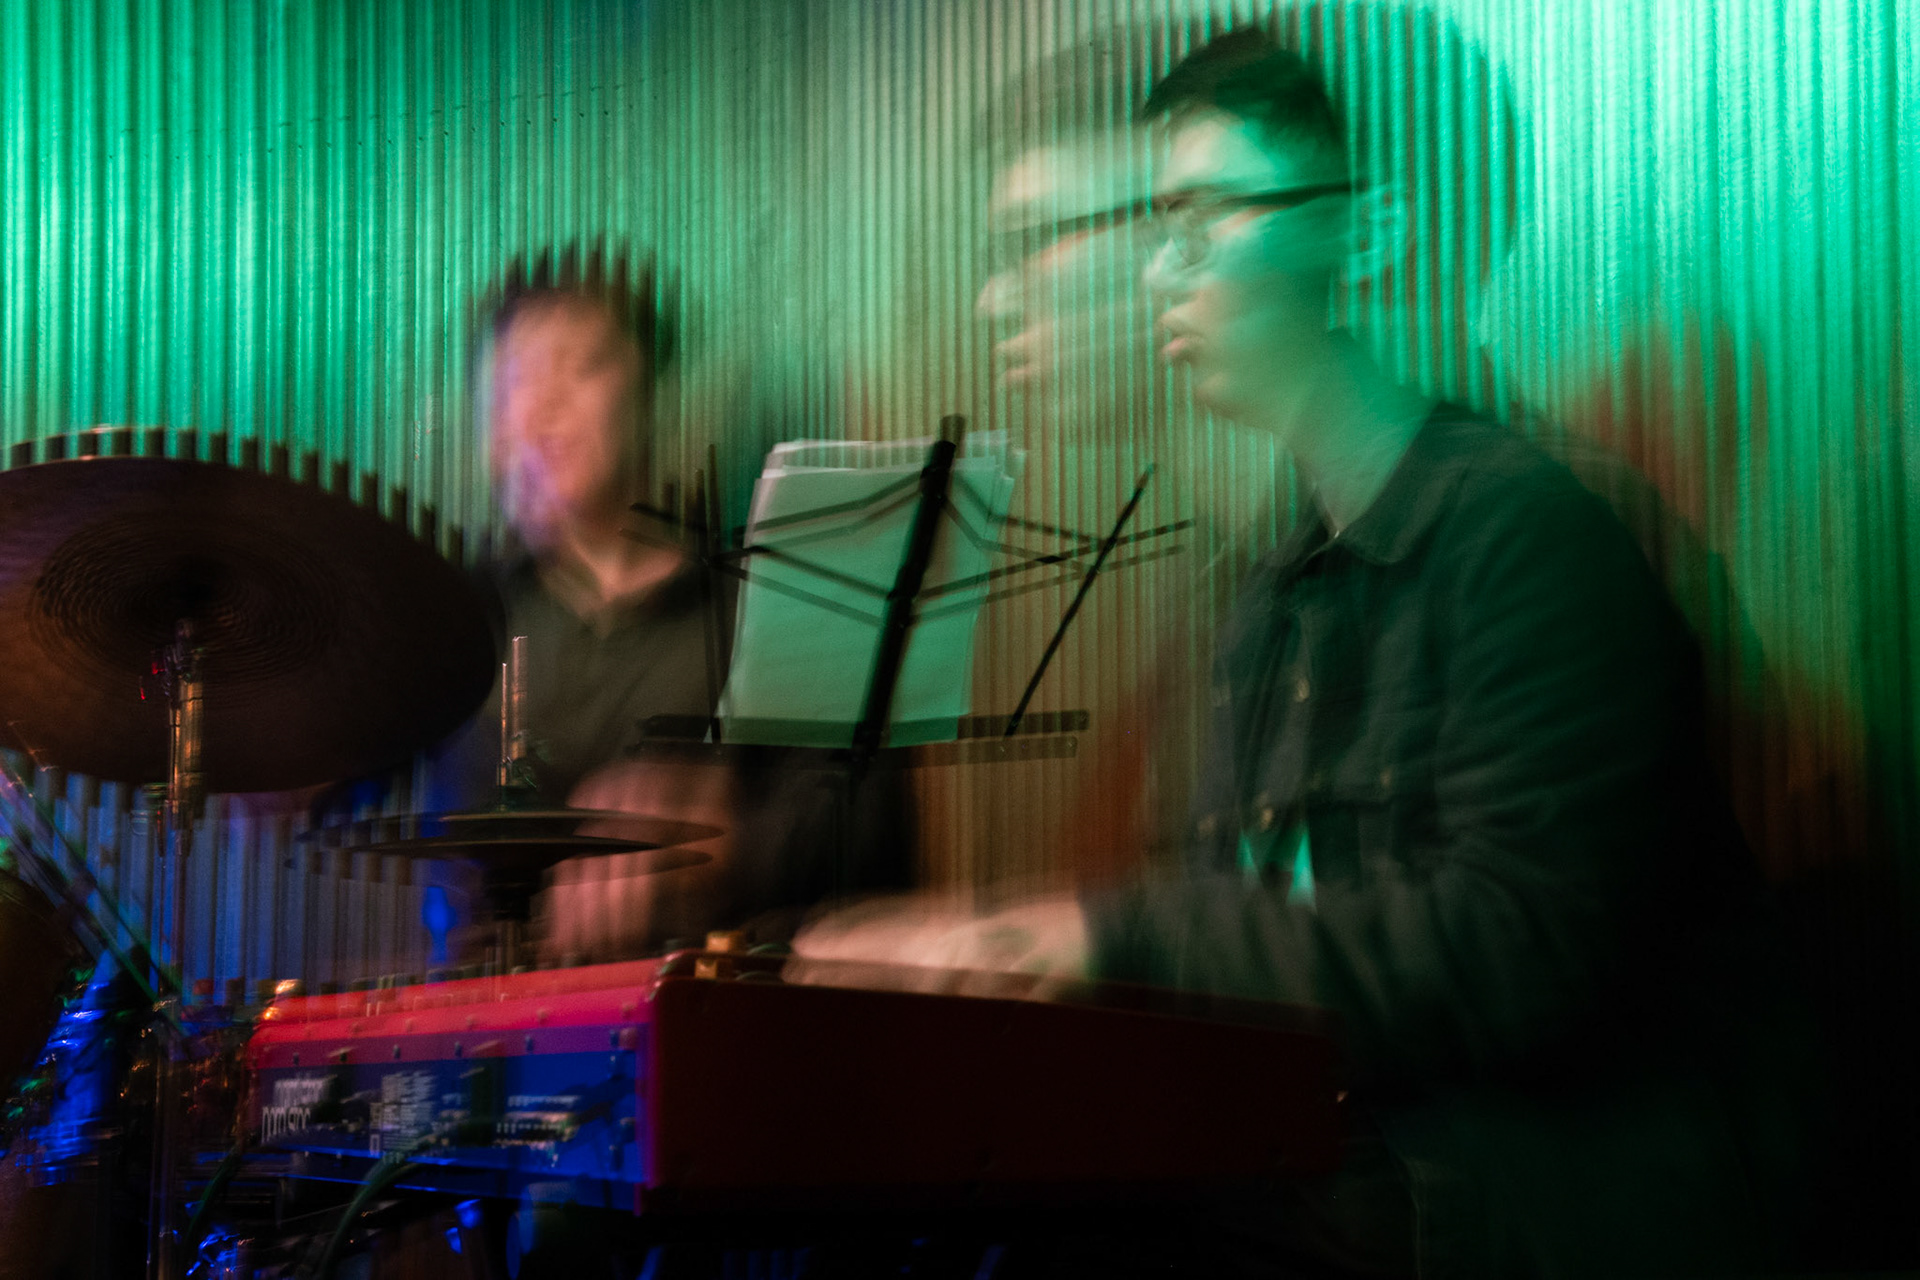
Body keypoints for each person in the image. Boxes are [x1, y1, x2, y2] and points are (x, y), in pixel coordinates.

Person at [799, 30, 1810, 1278]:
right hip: (1356, 1183)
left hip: (1509, 1212)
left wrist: (1096, 940)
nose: (1159, 270)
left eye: (1198, 219)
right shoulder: (1274, 577)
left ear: (1371, 233)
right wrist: (1001, 953)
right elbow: (1257, 928)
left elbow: (1523, 945)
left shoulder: (1528, 527)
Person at [437, 243, 908, 958]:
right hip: (499, 1010)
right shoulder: (454, 624)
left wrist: (724, 839)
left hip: (726, 1004)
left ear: (649, 399)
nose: (541, 408)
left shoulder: (763, 610)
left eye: (581, 367)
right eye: (514, 382)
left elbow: (868, 835)